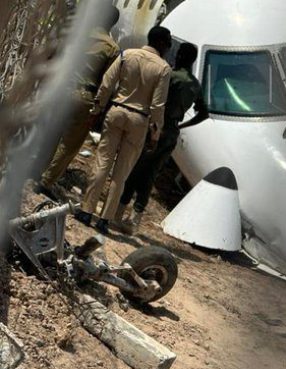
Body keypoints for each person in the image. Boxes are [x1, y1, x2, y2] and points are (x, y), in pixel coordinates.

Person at [75, 26, 173, 235]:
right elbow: (157, 105)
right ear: (163, 44)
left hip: (117, 111)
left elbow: (107, 83)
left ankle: (86, 211)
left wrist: (98, 107)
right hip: (139, 120)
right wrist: (155, 134)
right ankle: (104, 219)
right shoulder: (163, 69)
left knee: (102, 162)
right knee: (122, 172)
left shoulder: (127, 54)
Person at [115, 43, 208, 234]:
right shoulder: (195, 84)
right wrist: (180, 125)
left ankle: (118, 212)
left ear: (180, 55)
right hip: (172, 132)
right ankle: (135, 219)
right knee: (150, 175)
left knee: (135, 170)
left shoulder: (170, 76)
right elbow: (203, 113)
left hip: (156, 128)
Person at [35, 6, 121, 198]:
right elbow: (107, 82)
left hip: (60, 89)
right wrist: (99, 109)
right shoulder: (112, 48)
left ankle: (35, 169)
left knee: (50, 132)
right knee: (70, 142)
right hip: (84, 97)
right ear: (113, 23)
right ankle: (46, 181)